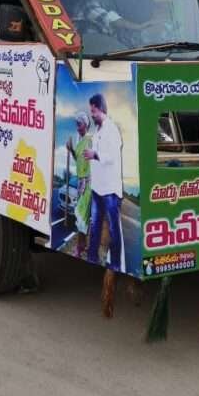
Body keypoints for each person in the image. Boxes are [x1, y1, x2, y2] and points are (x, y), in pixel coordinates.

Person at [85, 93, 124, 271]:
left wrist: (95, 154)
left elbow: (112, 156)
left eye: (93, 111)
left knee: (114, 230)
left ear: (101, 109)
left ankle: (115, 264)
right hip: (97, 189)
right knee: (95, 226)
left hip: (109, 191)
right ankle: (92, 259)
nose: (92, 115)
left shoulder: (112, 130)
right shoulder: (97, 131)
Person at [65, 112, 94, 259]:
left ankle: (79, 248)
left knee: (82, 217)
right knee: (82, 217)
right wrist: (71, 149)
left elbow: (93, 161)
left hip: (89, 184)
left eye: (79, 122)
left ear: (85, 124)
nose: (77, 125)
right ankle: (83, 246)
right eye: (76, 122)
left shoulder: (89, 140)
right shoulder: (80, 141)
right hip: (81, 183)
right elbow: (78, 161)